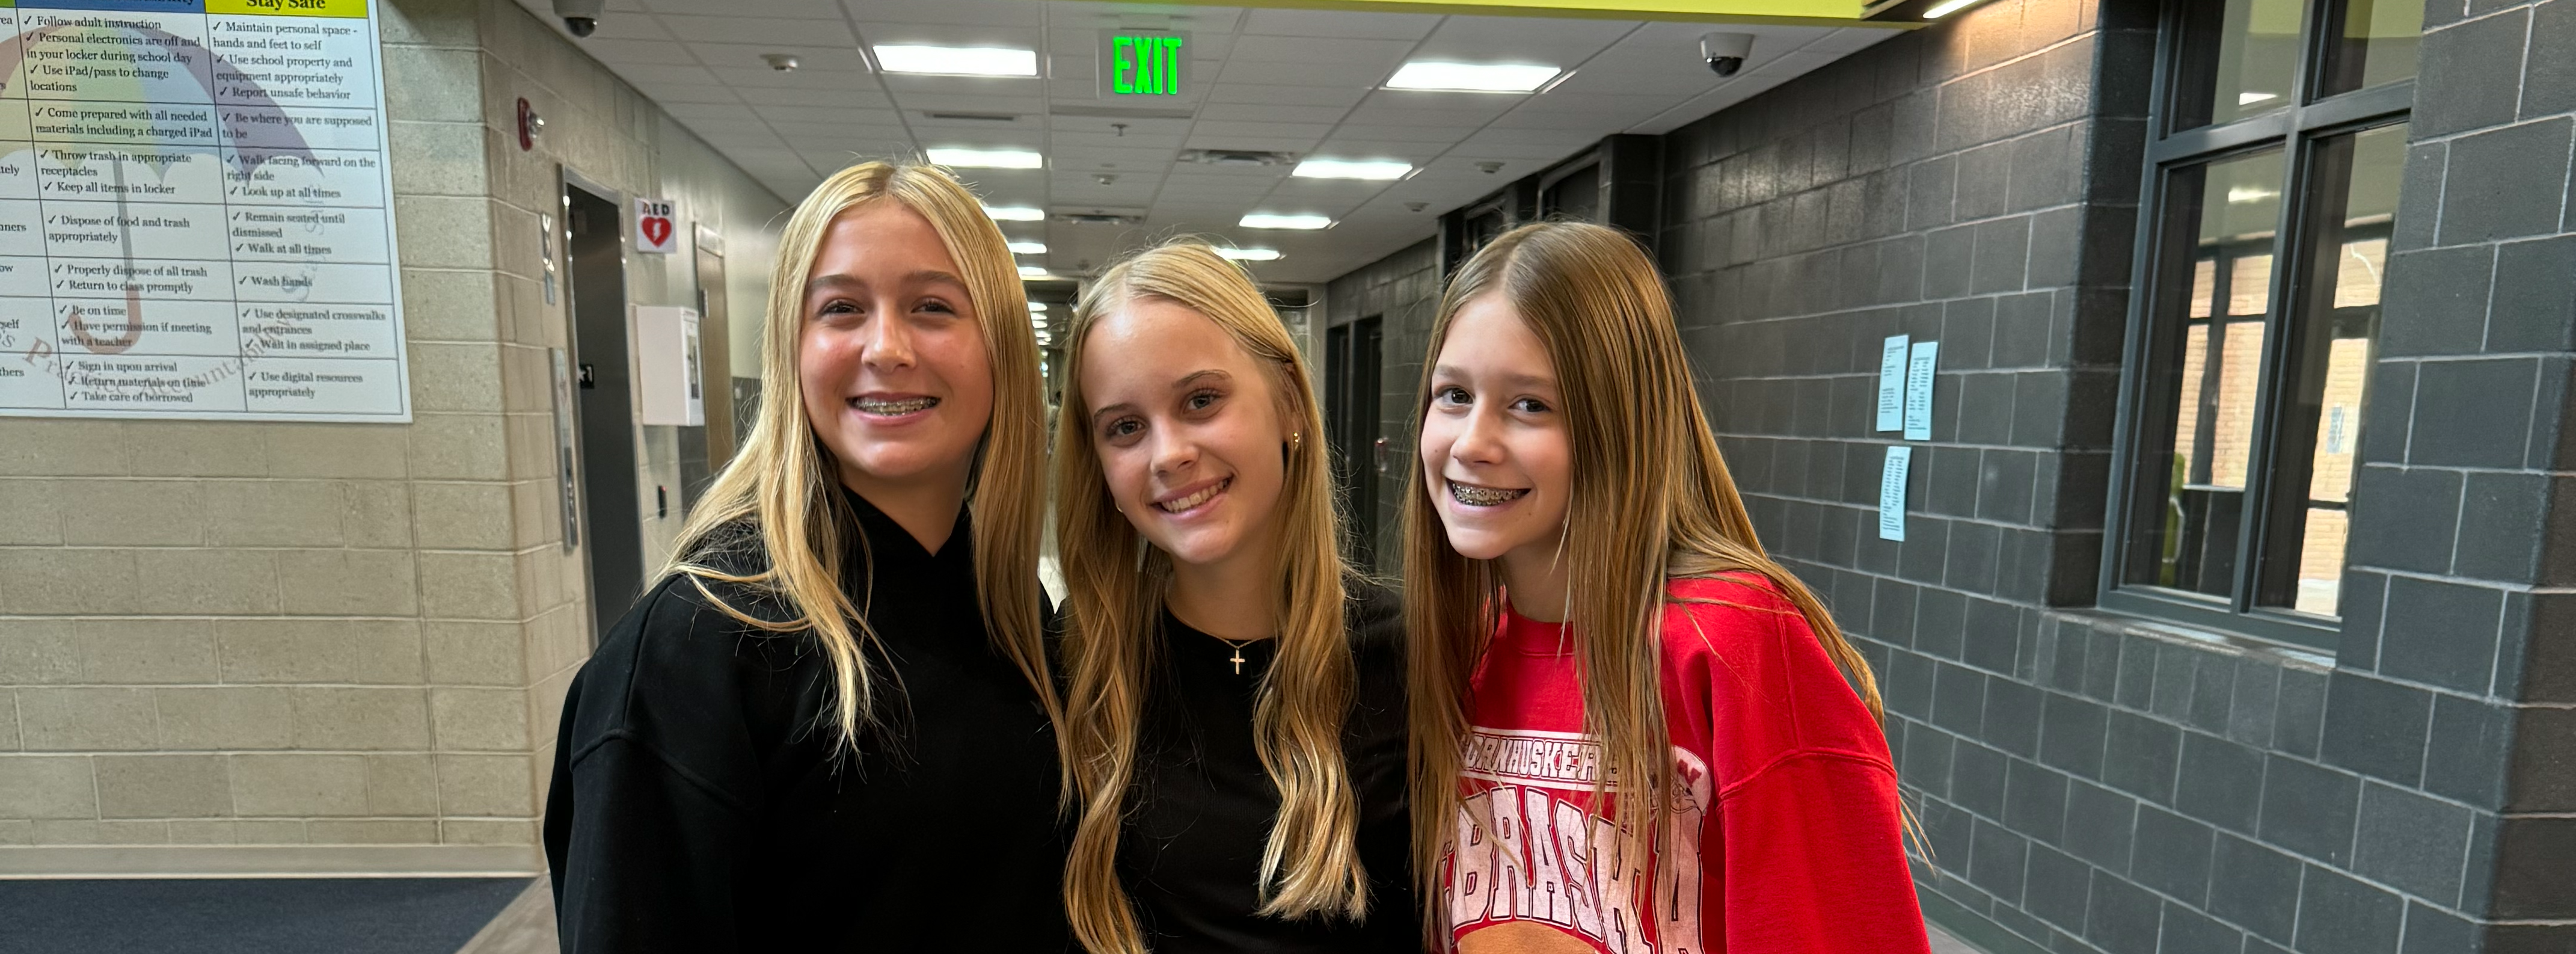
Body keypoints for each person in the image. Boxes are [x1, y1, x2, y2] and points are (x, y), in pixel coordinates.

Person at [542, 161, 1067, 952]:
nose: (886, 347)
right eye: (842, 308)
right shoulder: (695, 648)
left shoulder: (1008, 605)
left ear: (1000, 350)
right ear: (793, 346)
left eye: (933, 307)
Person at [1404, 222, 1928, 953]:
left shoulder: (1732, 639)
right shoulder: (1461, 648)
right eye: (1454, 395)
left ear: (1619, 423)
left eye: (1530, 405)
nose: (1470, 442)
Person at [1050, 242, 1418, 954]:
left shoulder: (1414, 651)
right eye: (1125, 427)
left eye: (1201, 400)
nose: (1168, 454)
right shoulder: (1077, 657)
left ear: (1287, 400)